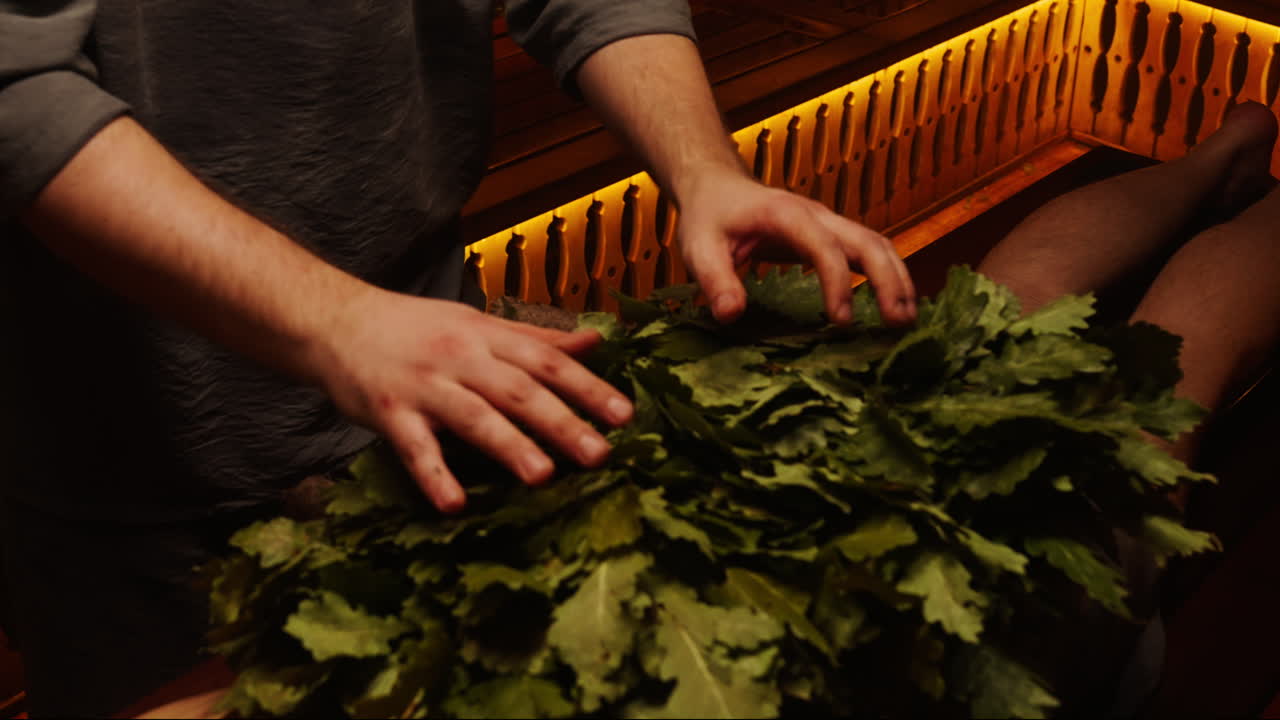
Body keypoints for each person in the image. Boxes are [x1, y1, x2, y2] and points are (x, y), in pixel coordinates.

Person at [0, 1, 919, 715]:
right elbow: (18, 80)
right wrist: (339, 322)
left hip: (450, 403)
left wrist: (704, 168)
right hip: (135, 471)